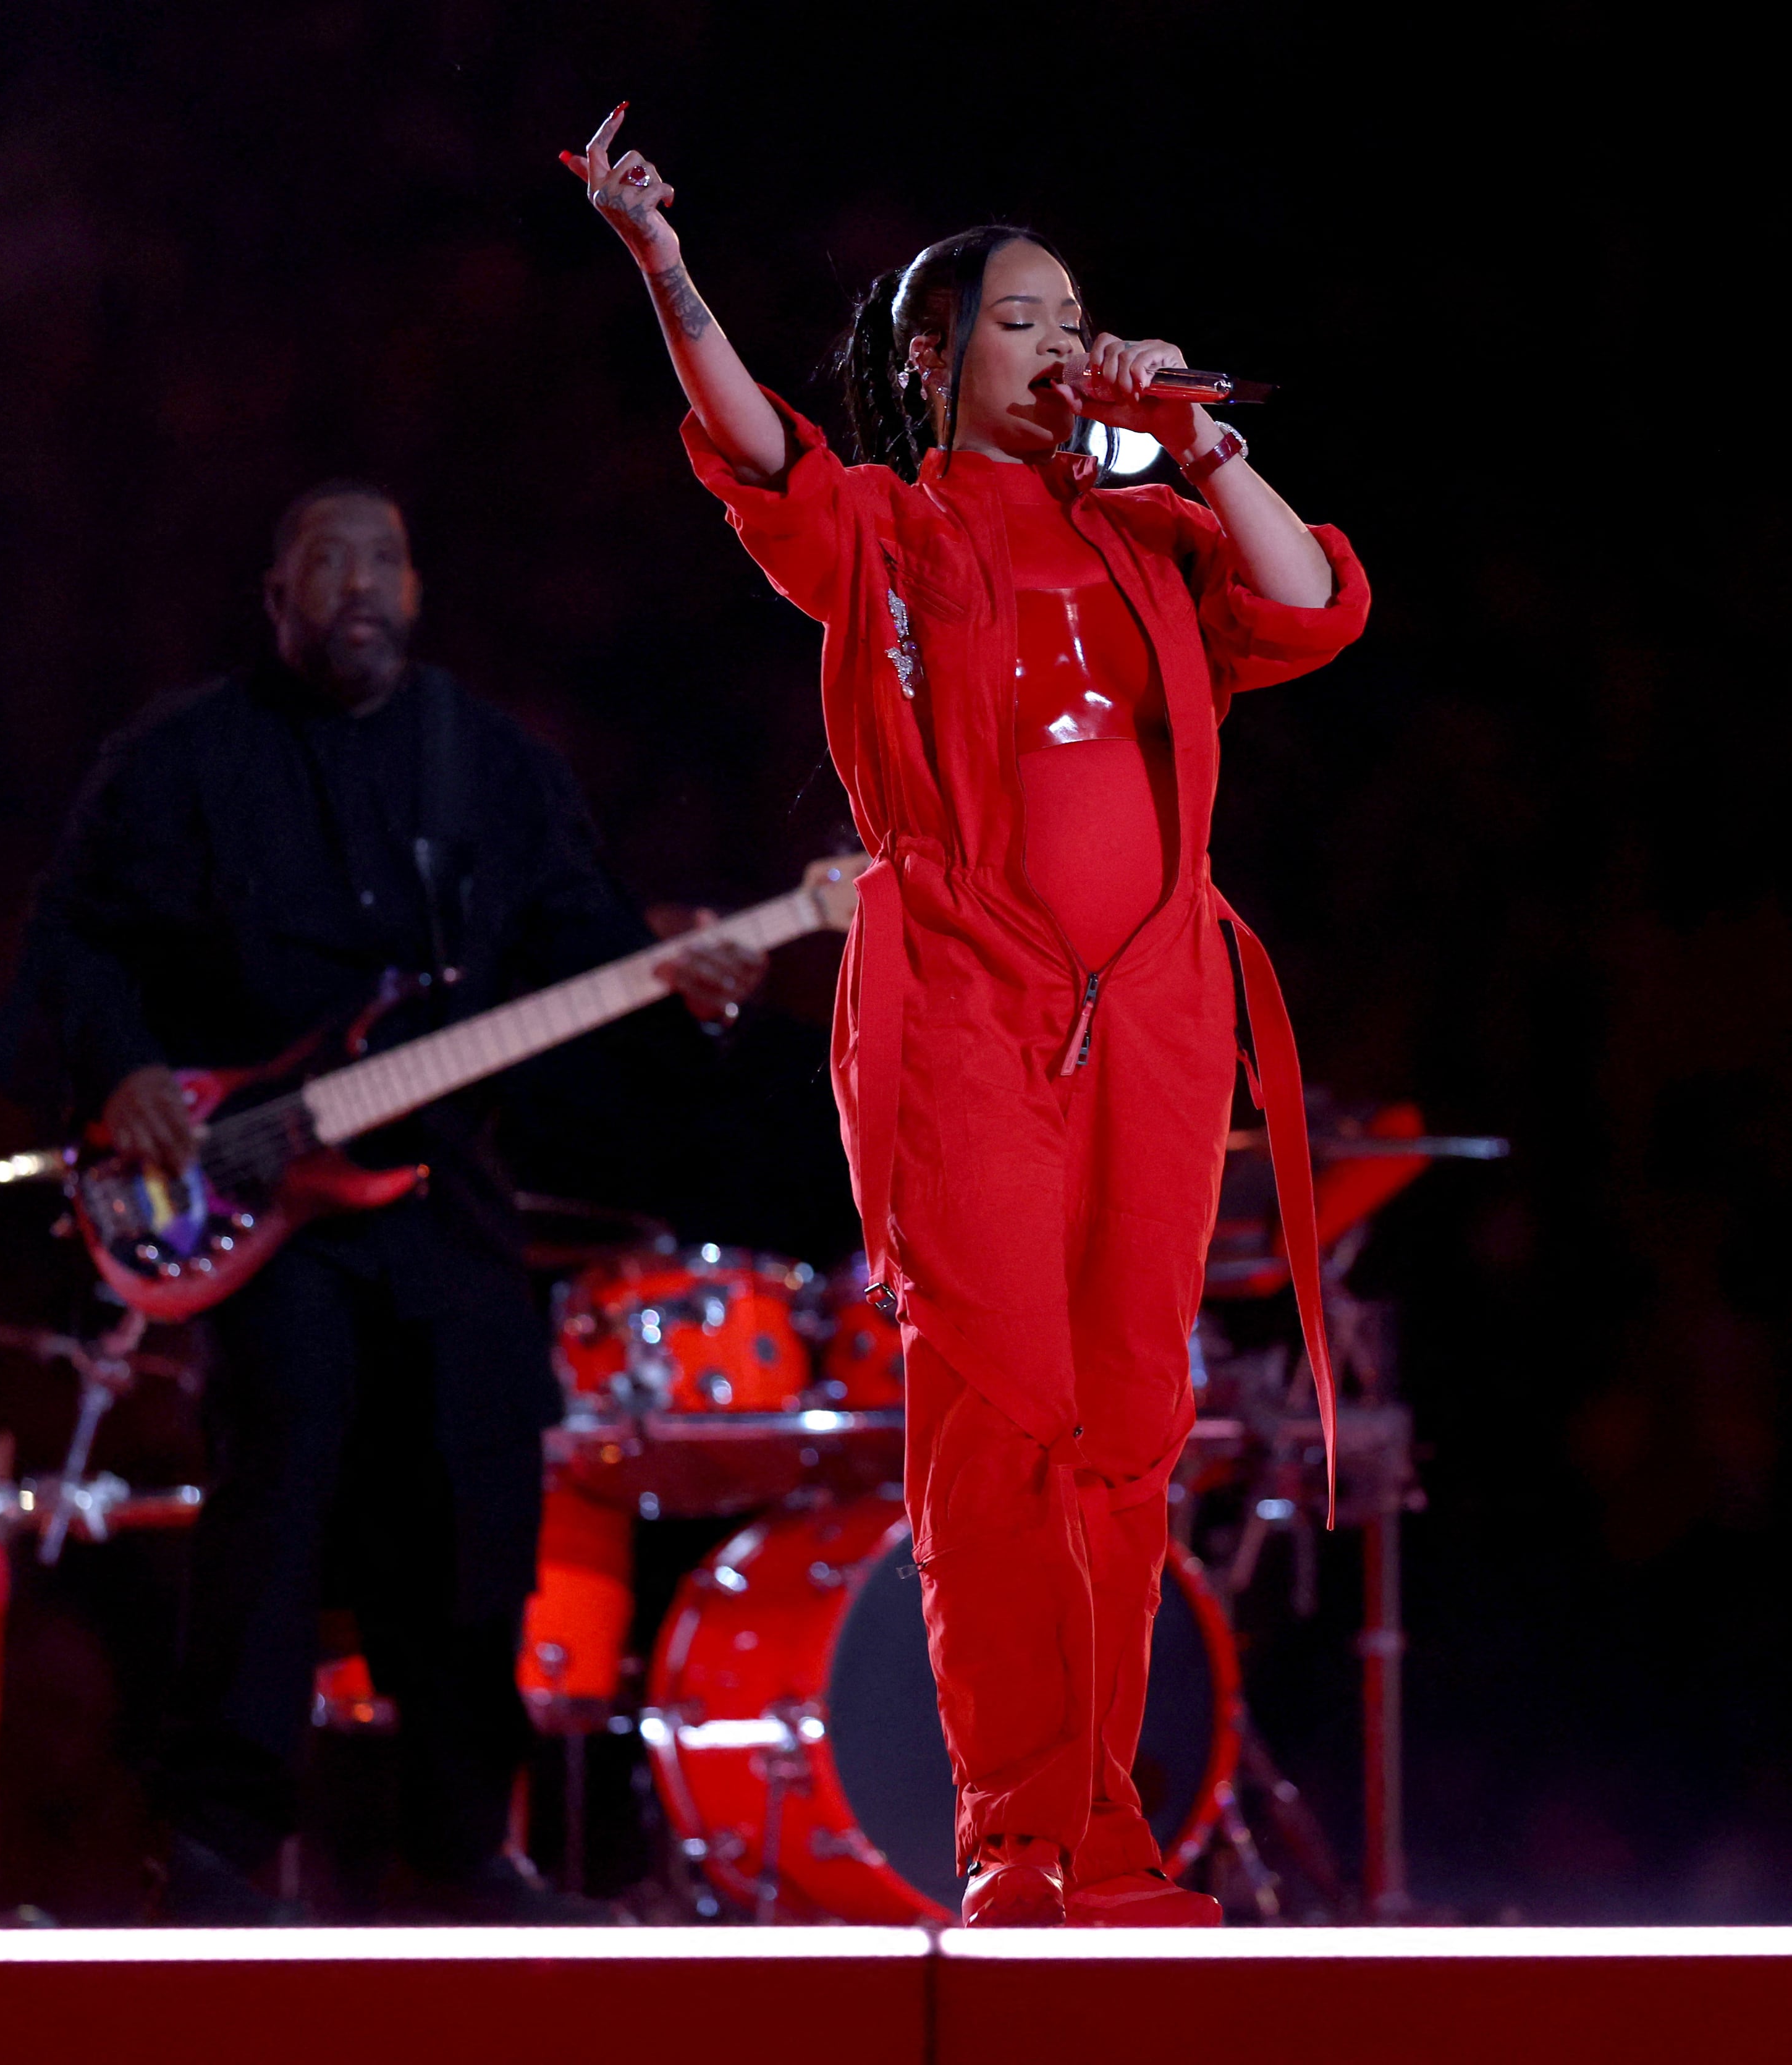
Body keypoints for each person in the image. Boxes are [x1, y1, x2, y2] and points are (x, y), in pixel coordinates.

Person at [562, 108, 1369, 1926]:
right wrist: (667, 268)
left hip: (1155, 1017)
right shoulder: (890, 528)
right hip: (965, 1011)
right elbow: (755, 447)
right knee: (1000, 1419)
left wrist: (1199, 439)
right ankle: (1018, 1840)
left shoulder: (1160, 532)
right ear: (935, 360)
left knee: (1131, 1425)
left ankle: (1113, 1837)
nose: (1065, 342)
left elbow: (1311, 603)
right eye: (1025, 318)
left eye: (1078, 315)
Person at [0, 481, 763, 1920]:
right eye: (326, 561)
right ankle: (216, 1850)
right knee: (273, 1501)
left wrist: (686, 985)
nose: (360, 582)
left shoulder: (495, 767)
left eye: (385, 561)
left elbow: (581, 962)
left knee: (477, 1510)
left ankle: (466, 1844)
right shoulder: (179, 763)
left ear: (415, 593)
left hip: (444, 1200)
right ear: (274, 598)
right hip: (254, 1194)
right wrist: (128, 1072)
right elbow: (74, 942)